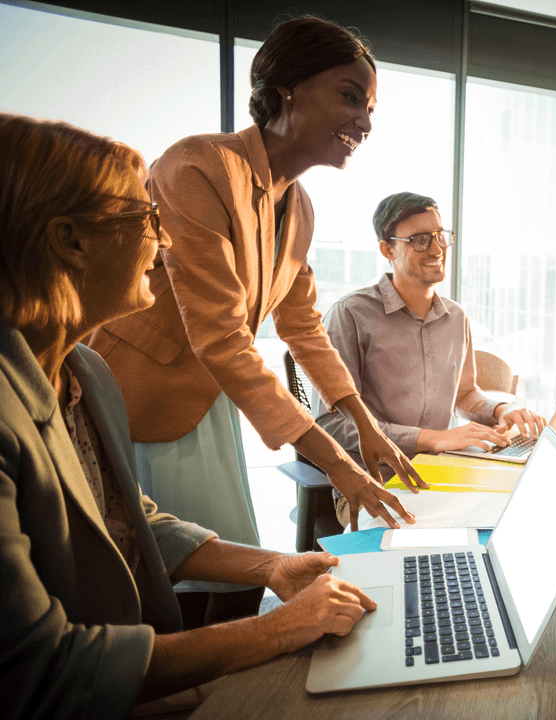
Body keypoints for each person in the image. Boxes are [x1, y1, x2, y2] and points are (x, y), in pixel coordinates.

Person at [0, 113, 375, 720]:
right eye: (147, 221)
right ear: (70, 240)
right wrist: (278, 631)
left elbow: (130, 518)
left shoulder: (87, 376)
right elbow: (41, 672)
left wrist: (272, 564)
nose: (165, 241)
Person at [87, 16, 423, 626]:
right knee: (159, 582)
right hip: (133, 395)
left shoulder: (300, 207)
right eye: (350, 97)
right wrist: (339, 464)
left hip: (205, 396)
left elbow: (303, 328)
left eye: (370, 107)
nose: (365, 123)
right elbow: (221, 334)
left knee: (234, 570)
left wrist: (364, 424)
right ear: (289, 88)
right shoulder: (197, 167)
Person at [316, 192, 546, 528]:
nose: (437, 249)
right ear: (387, 249)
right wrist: (431, 437)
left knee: (518, 514)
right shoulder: (350, 314)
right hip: (373, 483)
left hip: (441, 469)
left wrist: (501, 410)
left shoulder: (456, 317)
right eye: (420, 240)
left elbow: (465, 394)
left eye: (440, 236)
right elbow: (330, 424)